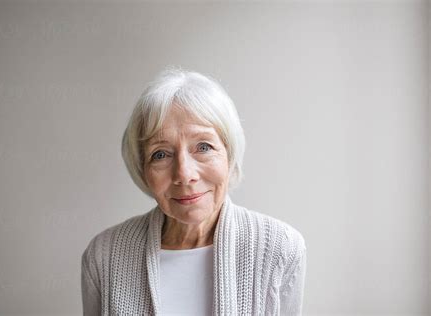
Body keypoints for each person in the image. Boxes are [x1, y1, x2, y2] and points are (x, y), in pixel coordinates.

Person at [81, 67, 307, 315]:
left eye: (203, 147)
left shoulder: (280, 248)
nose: (184, 174)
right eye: (161, 154)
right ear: (142, 169)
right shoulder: (105, 255)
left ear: (229, 154)